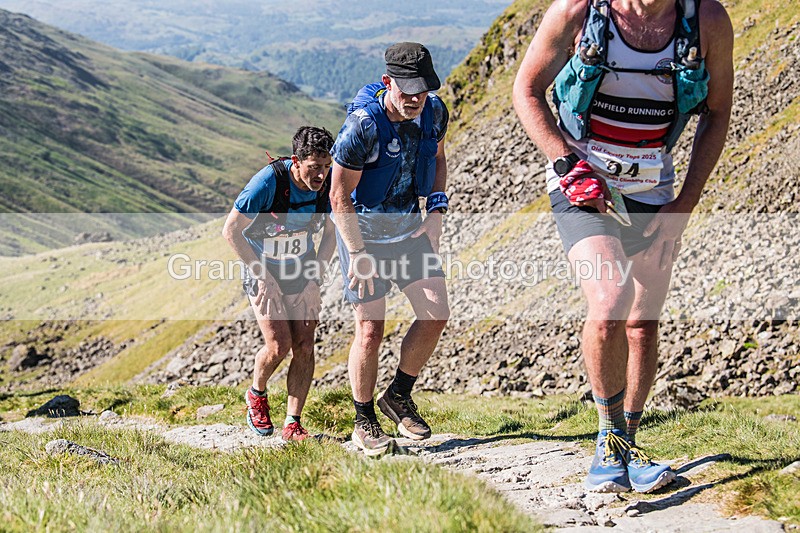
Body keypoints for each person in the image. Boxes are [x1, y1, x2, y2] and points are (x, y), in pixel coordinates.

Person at [513, 0, 733, 492]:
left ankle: (628, 444)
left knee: (641, 321)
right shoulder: (577, 11)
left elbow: (717, 113)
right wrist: (566, 164)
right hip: (583, 182)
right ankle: (608, 443)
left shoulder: (708, 21)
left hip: (654, 188)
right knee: (610, 302)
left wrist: (686, 203)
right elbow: (526, 89)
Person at [330, 42, 451, 456]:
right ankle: (364, 419)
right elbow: (338, 196)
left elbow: (437, 157)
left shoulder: (433, 111)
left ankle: (397, 395)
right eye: (407, 89)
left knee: (436, 313)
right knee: (370, 329)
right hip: (362, 235)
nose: (416, 98)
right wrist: (358, 255)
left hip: (408, 230)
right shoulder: (362, 126)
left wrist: (436, 211)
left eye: (424, 88)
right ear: (387, 82)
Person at [222, 126, 336, 442]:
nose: (322, 176)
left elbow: (330, 235)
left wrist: (315, 279)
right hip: (261, 266)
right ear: (296, 161)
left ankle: (292, 423)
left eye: (327, 167)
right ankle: (256, 395)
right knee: (278, 345)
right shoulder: (268, 181)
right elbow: (231, 231)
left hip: (301, 268)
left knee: (304, 345)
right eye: (315, 168)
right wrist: (263, 275)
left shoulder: (326, 185)